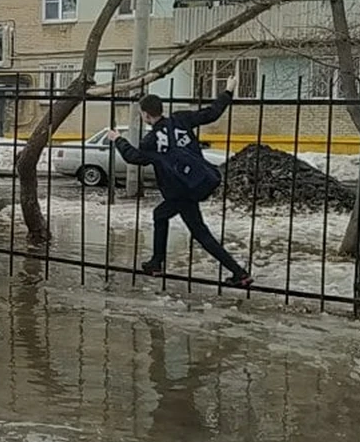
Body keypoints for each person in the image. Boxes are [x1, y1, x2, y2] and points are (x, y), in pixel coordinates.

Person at [108, 75, 253, 288]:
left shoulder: (151, 141)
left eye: (142, 114)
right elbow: (211, 114)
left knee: (184, 226)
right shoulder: (180, 119)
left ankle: (158, 264)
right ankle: (237, 273)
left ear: (146, 115)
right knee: (183, 224)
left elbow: (133, 157)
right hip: (200, 182)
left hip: (180, 192)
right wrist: (228, 90)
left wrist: (117, 139)